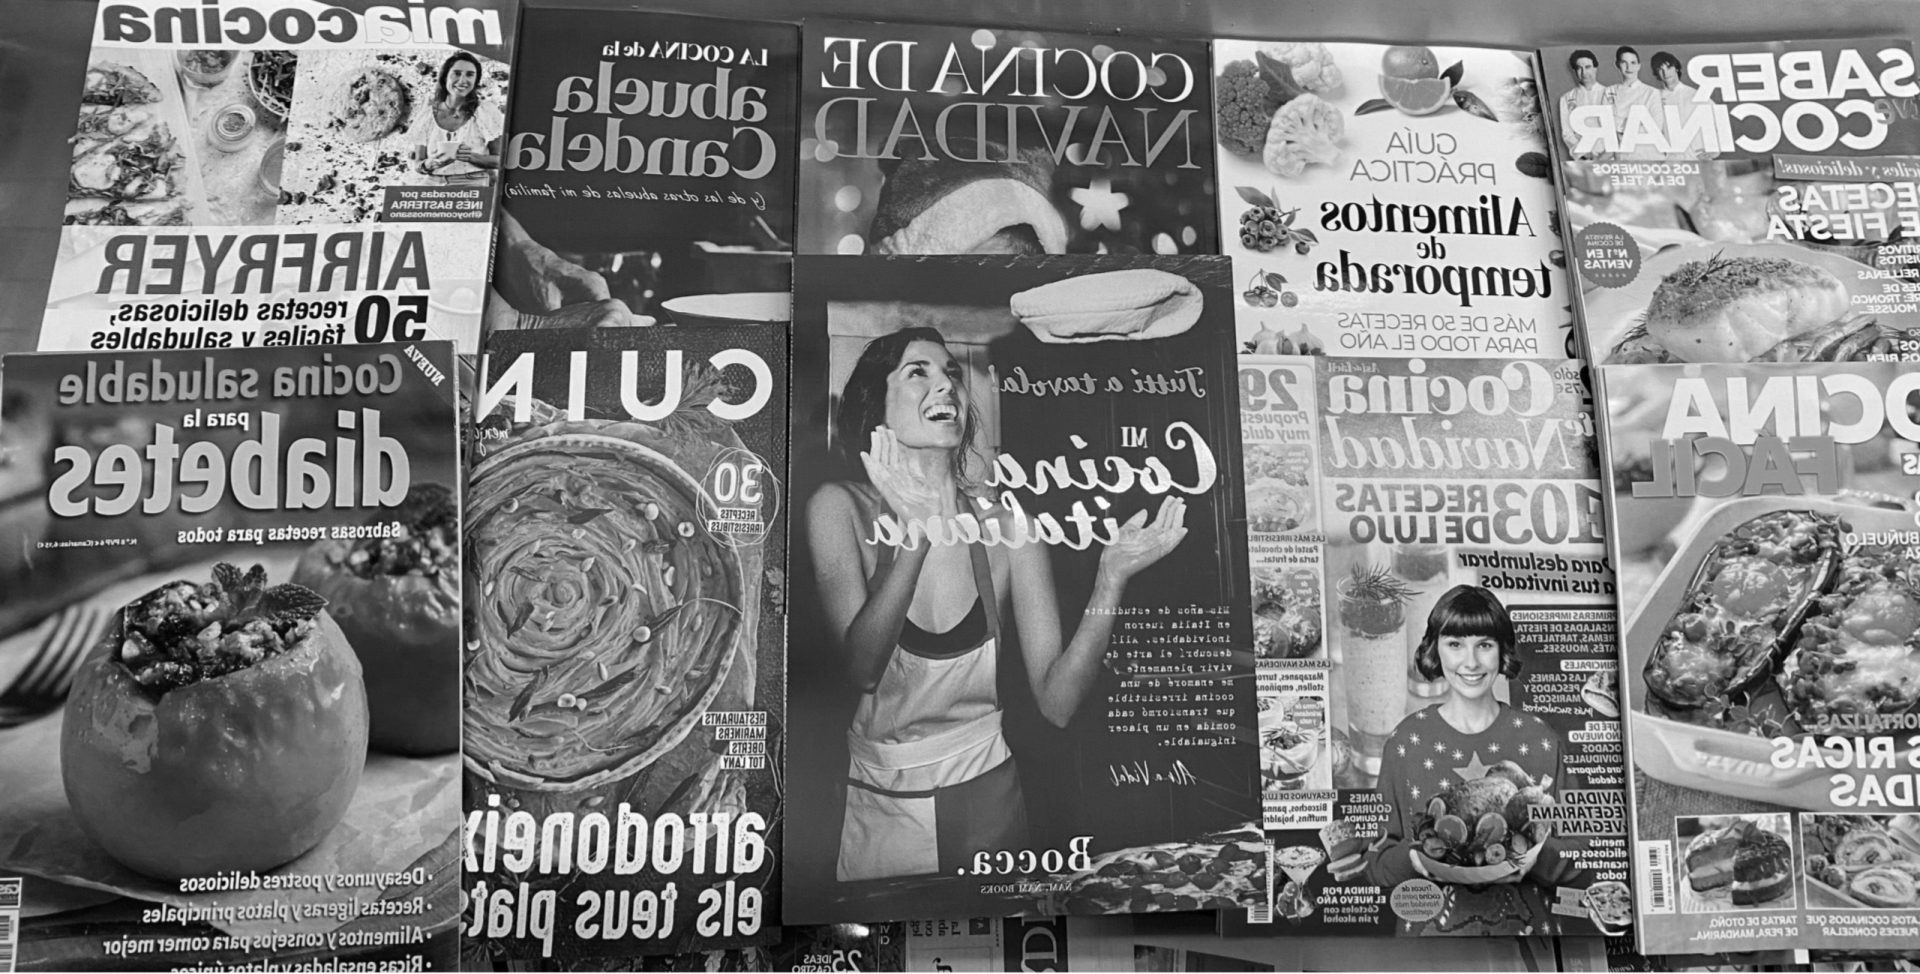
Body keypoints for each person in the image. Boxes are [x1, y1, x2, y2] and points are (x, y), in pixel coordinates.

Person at [806, 327, 1187, 882]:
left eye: (951, 373)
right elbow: (863, 670)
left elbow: (1057, 703)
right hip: (882, 801)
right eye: (917, 372)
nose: (946, 385)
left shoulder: (1010, 525)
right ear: (875, 403)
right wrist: (916, 535)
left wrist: (1111, 579)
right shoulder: (838, 508)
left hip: (989, 795)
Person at [1359, 586, 1585, 889]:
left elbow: (1582, 850)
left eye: (1485, 645)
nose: (1471, 662)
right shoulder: (1406, 740)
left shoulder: (1539, 738)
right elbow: (1375, 859)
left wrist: (1537, 860)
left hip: (1527, 918)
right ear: (1435, 650)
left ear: (1502, 651)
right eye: (1455, 644)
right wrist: (1414, 860)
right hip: (1429, 916)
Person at [420, 51, 501, 182]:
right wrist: (427, 165)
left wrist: (471, 157)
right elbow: (418, 162)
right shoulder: (428, 113)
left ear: (475, 80)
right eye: (456, 73)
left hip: (472, 182)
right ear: (445, 77)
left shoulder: (485, 111)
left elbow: (501, 160)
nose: (463, 80)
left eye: (470, 75)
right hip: (433, 182)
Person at [1606, 46, 1665, 161]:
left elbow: (1655, 126)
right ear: (1617, 64)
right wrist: (1634, 124)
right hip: (1622, 156)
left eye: (1633, 63)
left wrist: (1620, 126)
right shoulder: (1609, 91)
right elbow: (1606, 124)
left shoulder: (1651, 92)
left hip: (1650, 155)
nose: (1629, 67)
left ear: (1639, 65)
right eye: (1624, 63)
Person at [1650, 51, 1711, 160]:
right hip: (1669, 162)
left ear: (1676, 68)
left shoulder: (1695, 94)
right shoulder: (1654, 97)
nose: (1665, 73)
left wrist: (1714, 151)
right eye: (1660, 69)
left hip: (1697, 160)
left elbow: (1720, 121)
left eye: (1669, 67)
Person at [1558, 50, 1607, 159]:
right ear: (1574, 71)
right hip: (1584, 158)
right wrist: (1584, 154)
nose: (1583, 72)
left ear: (1595, 68)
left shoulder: (1610, 94)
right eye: (1579, 68)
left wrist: (1606, 155)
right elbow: (1567, 132)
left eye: (1587, 67)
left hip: (1609, 157)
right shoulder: (1567, 98)